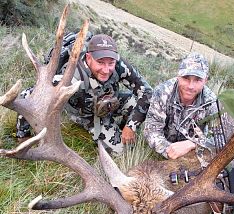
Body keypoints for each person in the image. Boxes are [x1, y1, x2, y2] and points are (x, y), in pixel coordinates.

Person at [16, 34, 152, 154]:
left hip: (110, 102)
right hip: (88, 115)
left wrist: (131, 126)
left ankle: (123, 129)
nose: (106, 69)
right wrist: (23, 134)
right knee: (124, 151)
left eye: (111, 63)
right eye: (100, 62)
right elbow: (28, 96)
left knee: (136, 102)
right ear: (88, 57)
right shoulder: (71, 77)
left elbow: (146, 91)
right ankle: (104, 131)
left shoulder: (119, 65)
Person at [144, 52, 219, 164]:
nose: (190, 86)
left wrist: (193, 144)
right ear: (178, 76)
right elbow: (151, 130)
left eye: (197, 80)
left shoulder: (212, 102)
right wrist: (168, 150)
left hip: (194, 152)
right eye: (186, 78)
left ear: (205, 80)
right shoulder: (162, 92)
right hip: (164, 150)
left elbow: (220, 139)